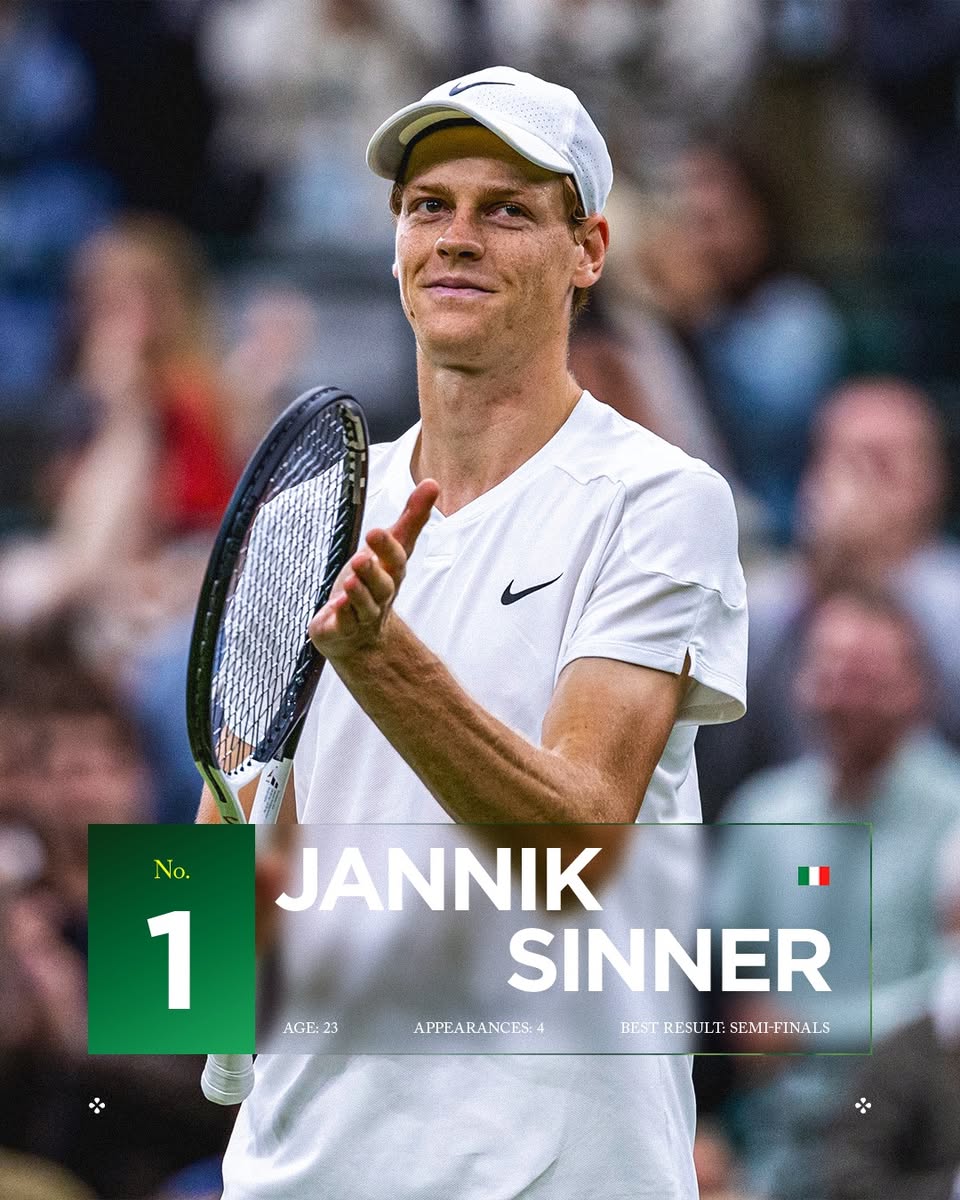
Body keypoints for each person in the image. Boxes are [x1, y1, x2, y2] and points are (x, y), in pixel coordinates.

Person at [199, 65, 748, 1199]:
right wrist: (157, 960)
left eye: (506, 210)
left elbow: (577, 850)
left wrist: (380, 660)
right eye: (428, 206)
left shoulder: (661, 501)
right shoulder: (303, 516)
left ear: (588, 250)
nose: (456, 236)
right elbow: (197, 944)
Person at [709, 586, 960, 1200]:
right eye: (830, 673)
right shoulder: (763, 813)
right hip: (769, 1135)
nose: (845, 697)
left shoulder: (952, 815)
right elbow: (715, 978)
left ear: (917, 689)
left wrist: (809, 1028)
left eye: (867, 678)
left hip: (906, 1131)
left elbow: (950, 996)